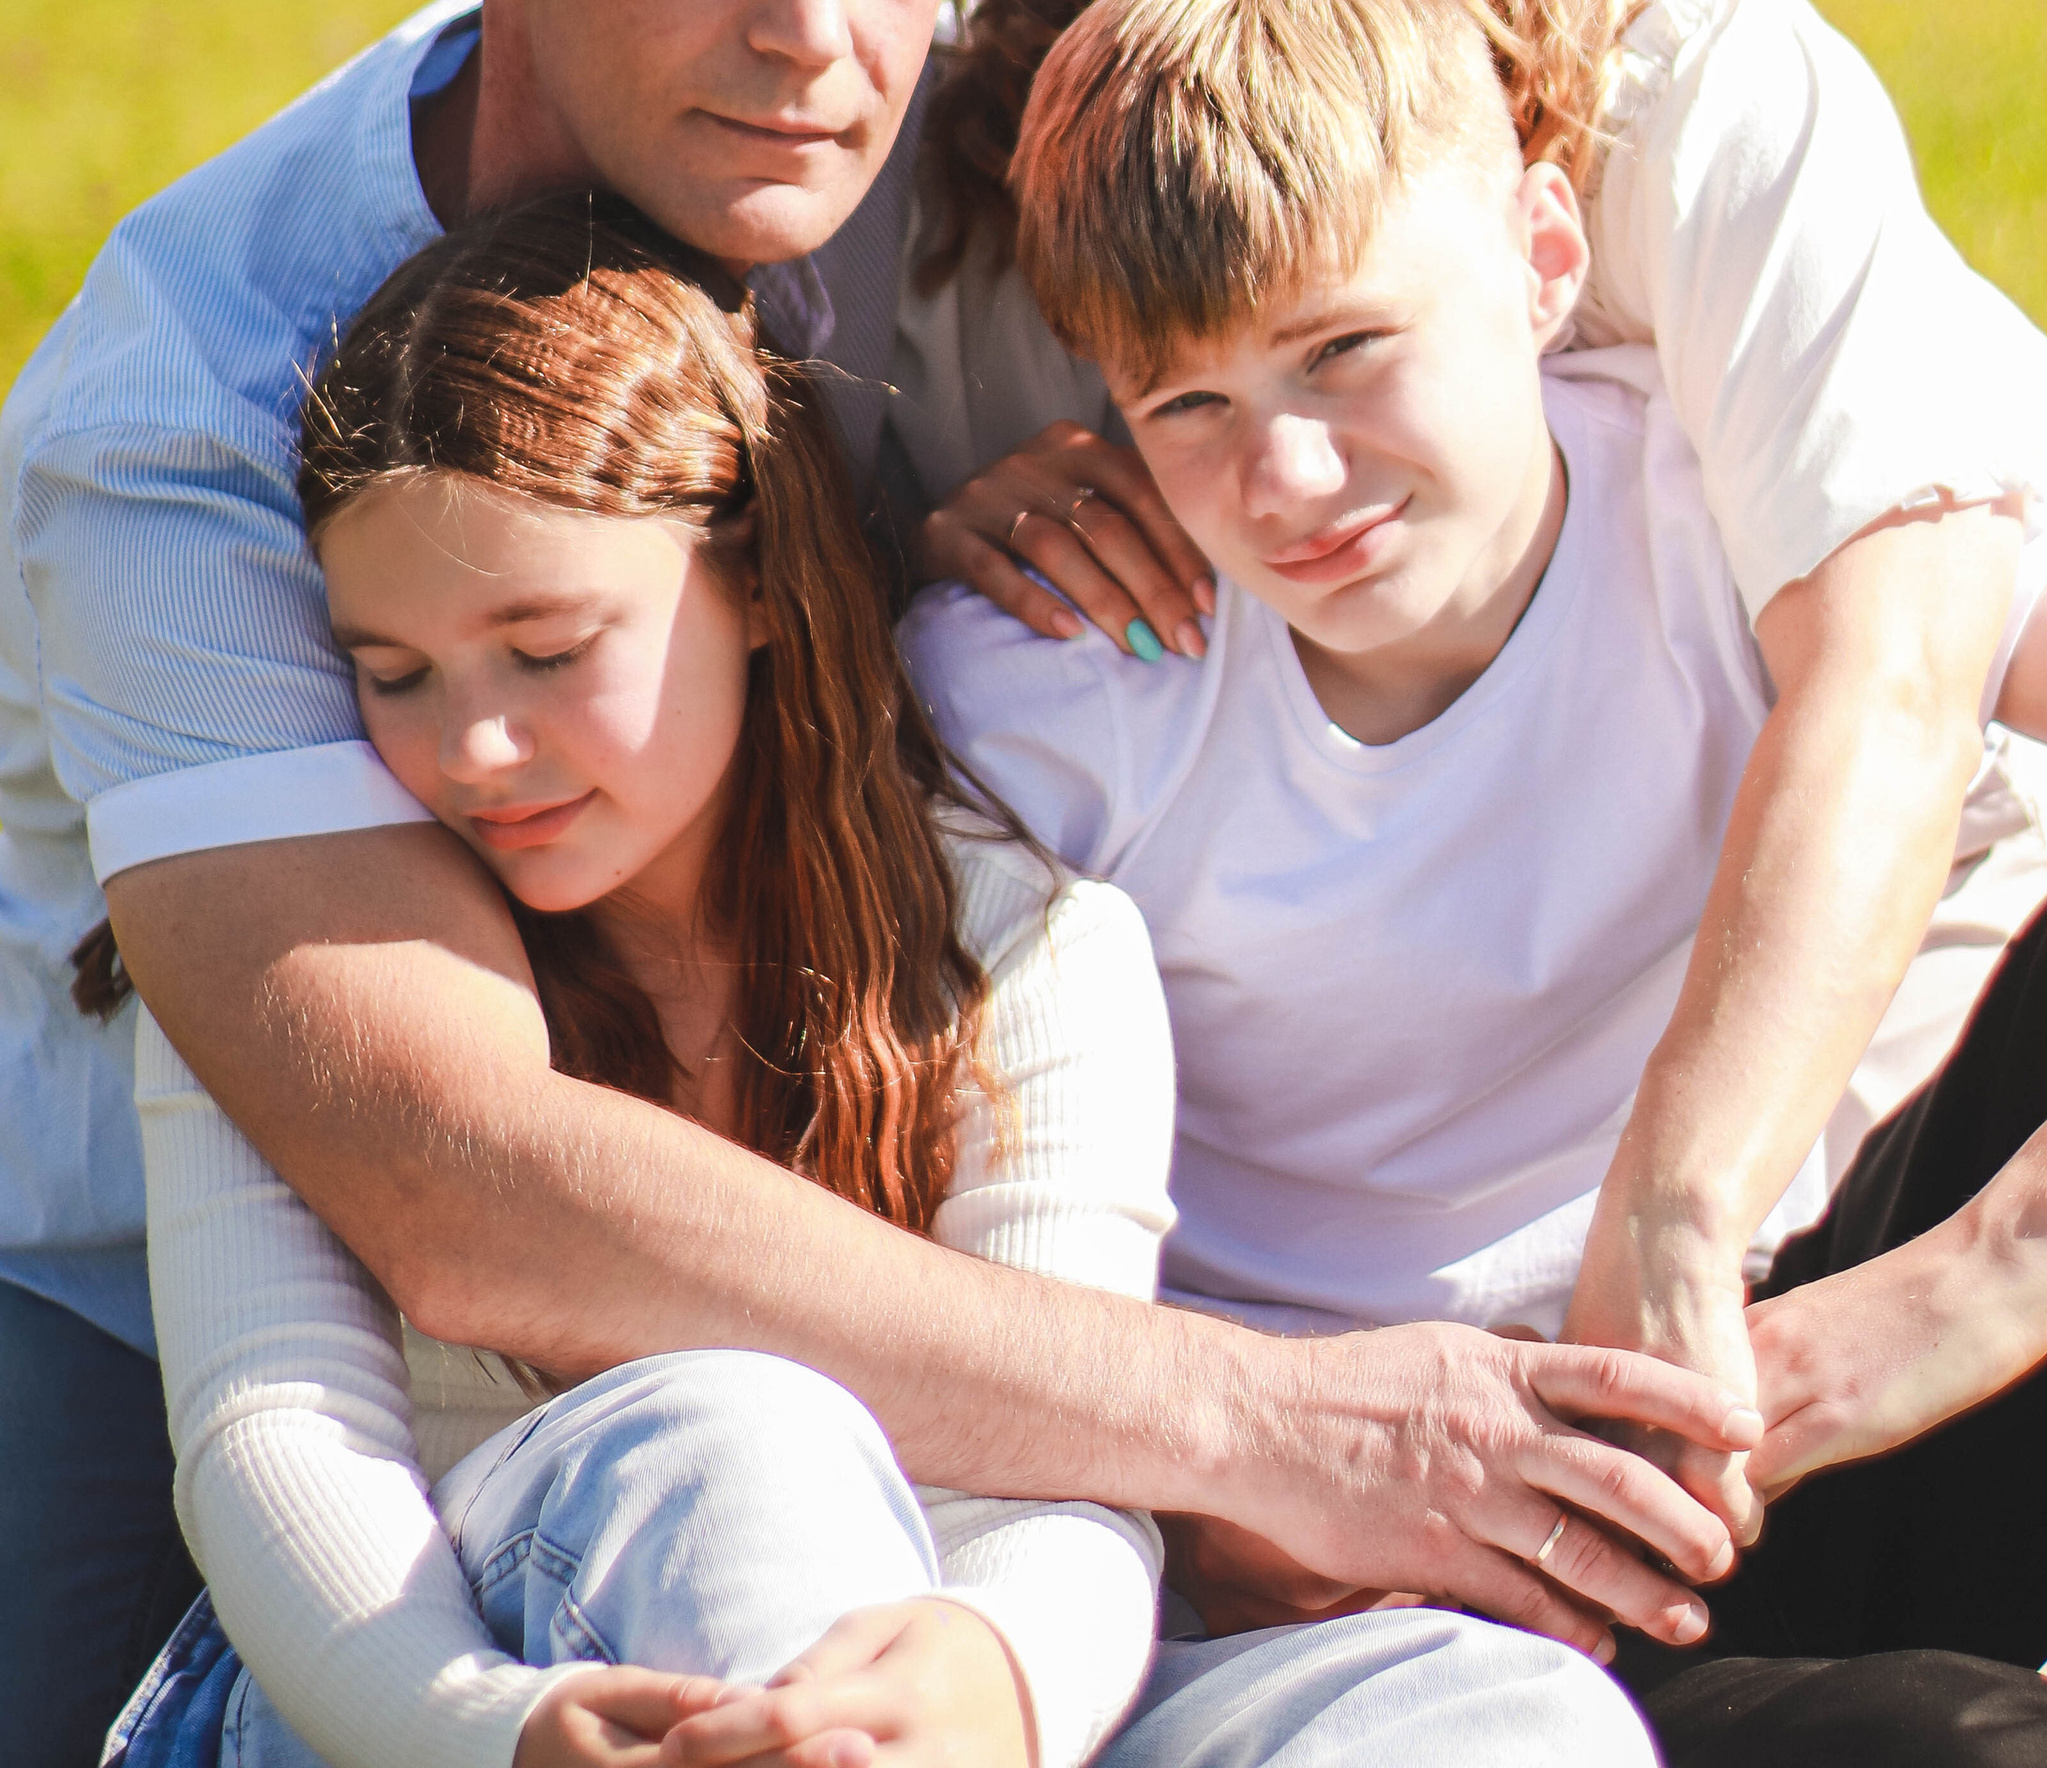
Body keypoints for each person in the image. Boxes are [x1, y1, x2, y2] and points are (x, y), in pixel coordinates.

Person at [3, 0, 1742, 1768]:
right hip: (187, 1327)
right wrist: (1268, 1422)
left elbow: (1343, 114)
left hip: (893, 1333)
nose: (812, 36)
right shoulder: (201, 407)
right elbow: (445, 1180)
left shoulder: (907, 144)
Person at [904, 0, 2047, 1763]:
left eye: (1345, 349)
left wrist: (1994, 1267)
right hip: (1413, 1625)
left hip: (1777, 1414)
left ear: (1543, 258)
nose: (1287, 477)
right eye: (1188, 404)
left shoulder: (1729, 515)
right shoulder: (1043, 697)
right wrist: (1223, 1507)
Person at [892, 0, 2047, 1437]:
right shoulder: (963, 166)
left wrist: (1689, 1231)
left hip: (1824, 1153)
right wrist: (921, 536)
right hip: (1383, 1256)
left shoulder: (1680, 82)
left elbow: (1897, 677)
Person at [110, 193, 1651, 1768]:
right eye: (395, 675)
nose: (474, 747)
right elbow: (272, 1437)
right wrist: (490, 1727)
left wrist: (995, 1679)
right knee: (737, 1437)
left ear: (758, 583)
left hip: (901, 1689)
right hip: (402, 1689)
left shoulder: (1017, 945)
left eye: (552, 648)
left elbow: (1070, 1468)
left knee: (1487, 1711)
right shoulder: (307, 955)